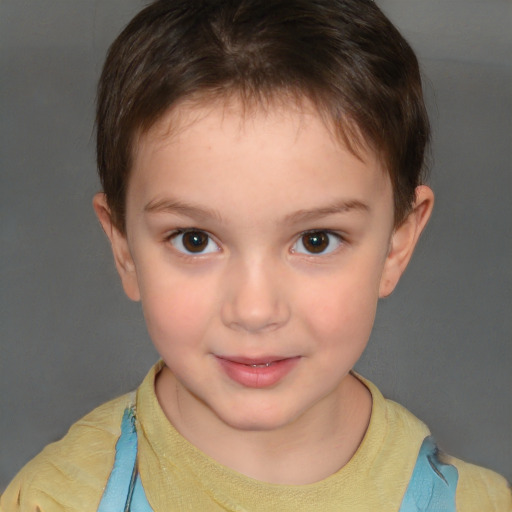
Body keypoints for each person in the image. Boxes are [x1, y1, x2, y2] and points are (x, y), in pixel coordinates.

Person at [1, 0, 510, 510]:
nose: (254, 310)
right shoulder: (55, 500)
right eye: (195, 240)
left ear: (397, 244)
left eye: (316, 240)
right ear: (124, 249)